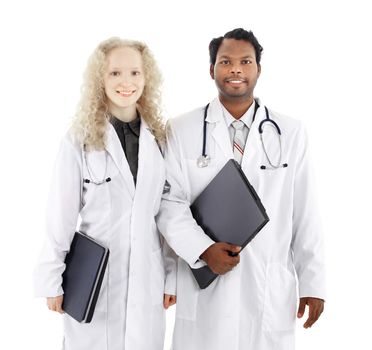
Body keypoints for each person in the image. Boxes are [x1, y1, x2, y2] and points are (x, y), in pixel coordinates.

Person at [157, 28, 326, 350]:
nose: (236, 69)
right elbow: (168, 203)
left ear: (258, 69)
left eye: (245, 61)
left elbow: (305, 212)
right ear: (212, 70)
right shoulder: (182, 129)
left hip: (266, 283)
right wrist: (202, 250)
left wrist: (313, 284)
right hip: (204, 281)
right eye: (226, 62)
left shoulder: (290, 132)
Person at [33, 37, 176, 350]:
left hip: (147, 276)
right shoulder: (80, 138)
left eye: (135, 73)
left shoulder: (160, 138)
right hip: (94, 276)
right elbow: (61, 215)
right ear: (100, 78)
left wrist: (171, 274)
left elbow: (166, 213)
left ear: (146, 77)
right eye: (115, 73)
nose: (126, 82)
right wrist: (52, 278)